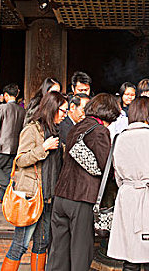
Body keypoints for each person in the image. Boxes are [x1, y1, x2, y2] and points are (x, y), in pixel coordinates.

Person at [48, 94, 121, 271]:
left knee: (59, 251)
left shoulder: (77, 127)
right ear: (109, 114)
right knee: (81, 251)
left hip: (61, 195)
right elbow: (106, 168)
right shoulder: (99, 131)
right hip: (82, 198)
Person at [107, 97, 149, 270]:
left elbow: (118, 174)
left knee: (129, 254)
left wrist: (128, 185)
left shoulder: (120, 138)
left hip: (127, 195)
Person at [1, 91, 67, 271]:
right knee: (20, 244)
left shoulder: (57, 131)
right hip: (31, 195)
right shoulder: (32, 129)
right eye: (62, 111)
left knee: (41, 244)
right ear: (52, 109)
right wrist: (43, 147)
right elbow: (20, 160)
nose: (64, 115)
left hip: (48, 196)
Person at [0, 83, 26, 202]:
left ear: (6, 95)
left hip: (2, 145)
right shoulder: (22, 110)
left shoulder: (3, 107)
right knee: (8, 170)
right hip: (15, 145)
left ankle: (9, 188)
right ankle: (5, 199)